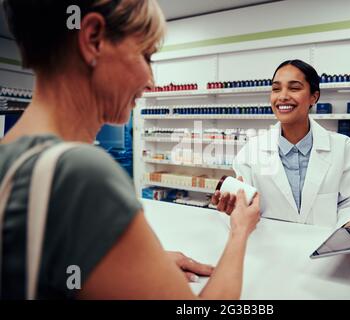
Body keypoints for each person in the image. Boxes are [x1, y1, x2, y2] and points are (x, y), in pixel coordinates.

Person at [0, 0, 260, 299]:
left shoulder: (11, 158)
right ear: (93, 39)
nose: (150, 81)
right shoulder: (80, 172)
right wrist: (240, 231)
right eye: (146, 55)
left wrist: (127, 266)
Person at [212, 59, 350, 228]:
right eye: (276, 89)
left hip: (324, 252)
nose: (282, 96)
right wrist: (233, 210)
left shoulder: (342, 147)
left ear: (314, 97)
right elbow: (244, 206)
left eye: (294, 88)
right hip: (269, 250)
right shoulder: (252, 151)